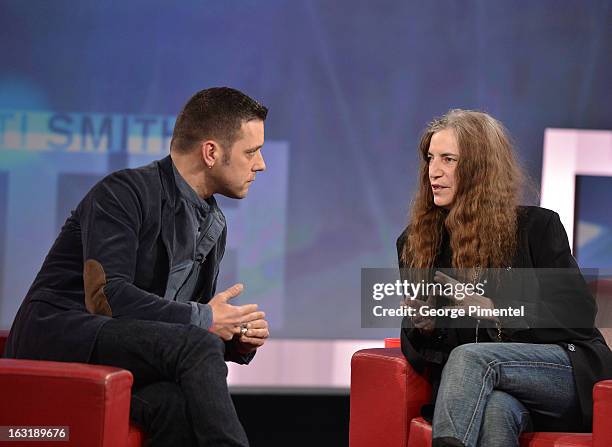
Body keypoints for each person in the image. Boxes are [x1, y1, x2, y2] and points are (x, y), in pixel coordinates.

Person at [4, 87, 270, 447]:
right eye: (251, 151)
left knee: (174, 406)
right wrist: (206, 321)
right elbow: (106, 297)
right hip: (61, 340)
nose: (260, 164)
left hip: (123, 351)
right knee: (195, 345)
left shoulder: (213, 223)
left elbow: (183, 323)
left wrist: (235, 337)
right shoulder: (123, 192)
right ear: (211, 152)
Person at [396, 109, 612, 447]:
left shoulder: (536, 228)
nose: (433, 172)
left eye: (449, 159)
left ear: (481, 169)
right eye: (430, 159)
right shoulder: (418, 242)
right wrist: (427, 329)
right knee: (496, 412)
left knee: (470, 358)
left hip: (560, 369)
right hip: (486, 382)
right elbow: (424, 355)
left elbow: (578, 314)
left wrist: (497, 309)